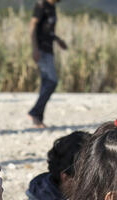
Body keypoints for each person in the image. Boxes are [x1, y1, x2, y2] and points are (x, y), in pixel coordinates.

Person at [28, 0, 67, 129]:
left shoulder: (52, 7)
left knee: (46, 83)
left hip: (48, 48)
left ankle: (38, 119)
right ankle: (34, 112)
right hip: (41, 50)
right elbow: (33, 26)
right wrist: (34, 48)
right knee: (52, 81)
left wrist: (58, 40)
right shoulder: (41, 5)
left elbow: (47, 29)